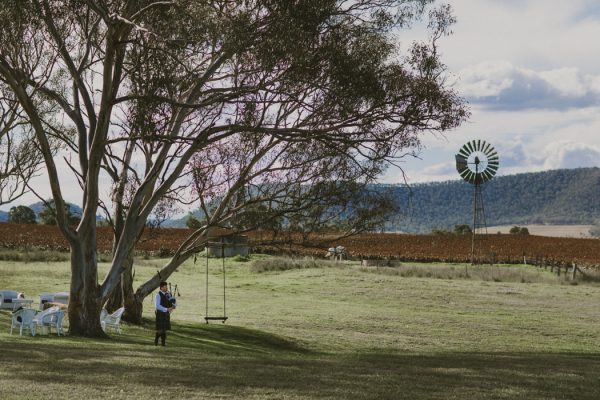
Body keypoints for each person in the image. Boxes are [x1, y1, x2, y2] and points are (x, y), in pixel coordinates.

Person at [155, 281, 175, 346]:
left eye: (166, 286)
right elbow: (157, 306)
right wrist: (166, 309)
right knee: (160, 329)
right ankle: (156, 340)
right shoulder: (158, 295)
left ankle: (163, 343)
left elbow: (172, 303)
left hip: (166, 314)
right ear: (161, 288)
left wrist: (173, 305)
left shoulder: (168, 295)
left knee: (164, 329)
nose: (166, 288)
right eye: (165, 287)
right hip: (160, 313)